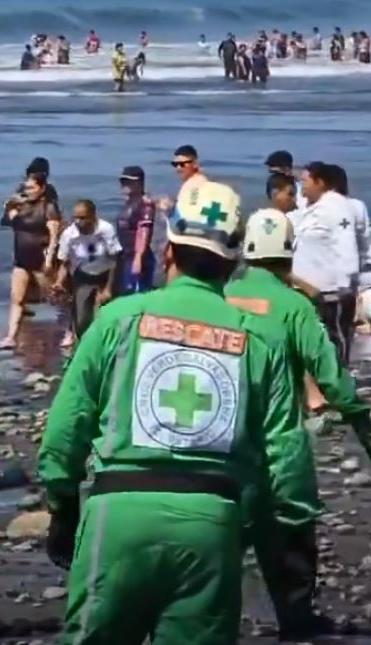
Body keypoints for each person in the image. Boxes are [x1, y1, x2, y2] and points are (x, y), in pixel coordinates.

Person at [40, 181, 320, 644]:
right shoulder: (258, 338)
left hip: (117, 516)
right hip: (212, 522)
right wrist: (292, 526)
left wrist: (62, 506)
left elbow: (66, 428)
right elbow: (286, 452)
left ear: (168, 250)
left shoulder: (117, 320)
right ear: (233, 262)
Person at [225, 207, 371, 640]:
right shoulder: (295, 307)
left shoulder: (219, 297)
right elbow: (334, 382)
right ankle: (296, 621)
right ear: (290, 253)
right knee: (292, 540)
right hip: (278, 453)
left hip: (218, 452)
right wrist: (364, 428)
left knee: (219, 553)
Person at [292, 162, 359, 365]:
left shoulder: (337, 208)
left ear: (320, 183)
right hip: (307, 290)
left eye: (305, 182)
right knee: (311, 341)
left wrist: (344, 287)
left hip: (331, 293)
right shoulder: (312, 207)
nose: (301, 186)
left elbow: (346, 246)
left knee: (334, 340)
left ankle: (340, 378)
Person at [0, 167, 61, 350]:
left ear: (42, 188)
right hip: (21, 259)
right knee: (16, 299)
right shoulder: (21, 206)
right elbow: (9, 221)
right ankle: (11, 337)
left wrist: (49, 260)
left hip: (41, 260)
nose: (28, 191)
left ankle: (71, 330)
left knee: (56, 297)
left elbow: (54, 236)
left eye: (32, 188)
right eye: (27, 188)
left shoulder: (49, 207)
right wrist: (10, 204)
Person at [53, 199, 120, 342]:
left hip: (106, 273)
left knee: (109, 314)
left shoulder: (105, 229)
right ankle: (84, 342)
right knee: (81, 320)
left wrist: (108, 289)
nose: (78, 222)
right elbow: (64, 263)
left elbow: (114, 259)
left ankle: (107, 342)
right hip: (83, 275)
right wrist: (59, 282)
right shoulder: (69, 234)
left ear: (92, 216)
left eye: (82, 218)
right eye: (75, 217)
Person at [115, 166, 156, 295]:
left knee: (137, 294)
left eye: (128, 181)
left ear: (139, 182)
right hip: (127, 255)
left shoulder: (145, 203)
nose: (124, 184)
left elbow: (144, 230)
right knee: (126, 292)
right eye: (122, 181)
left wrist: (138, 257)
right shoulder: (129, 202)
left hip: (138, 256)